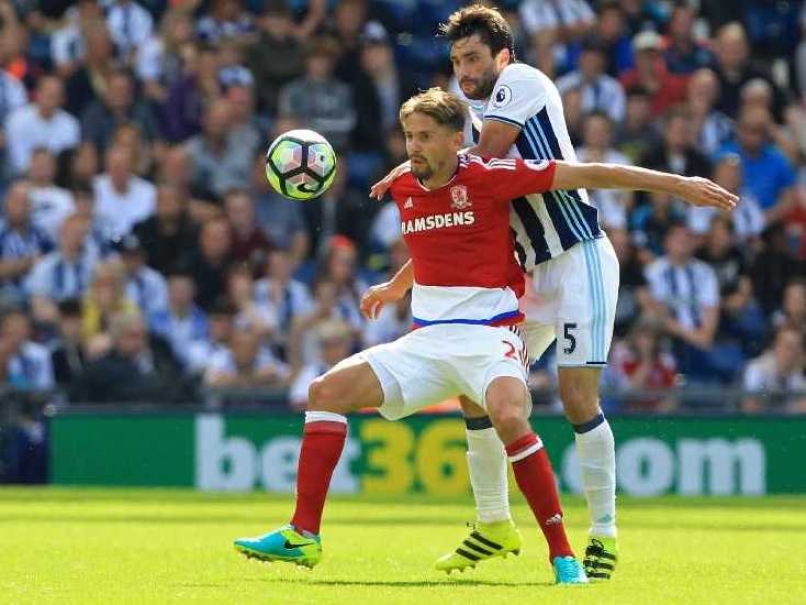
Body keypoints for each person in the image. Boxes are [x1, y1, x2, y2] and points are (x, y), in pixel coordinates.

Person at [233, 87, 736, 583]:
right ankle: (304, 533)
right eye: (409, 136)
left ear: (458, 140)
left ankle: (562, 555)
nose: (413, 147)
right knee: (324, 392)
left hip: (489, 336)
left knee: (510, 414)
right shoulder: (406, 183)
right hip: (426, 341)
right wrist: (395, 285)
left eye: (425, 136)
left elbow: (591, 173)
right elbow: (435, 240)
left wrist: (679, 184)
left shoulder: (492, 176)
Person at [368, 5, 734, 579]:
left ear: (502, 56)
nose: (463, 71)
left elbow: (483, 159)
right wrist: (399, 275)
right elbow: (453, 207)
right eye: (456, 60)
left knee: (577, 399)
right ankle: (493, 524)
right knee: (474, 387)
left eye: (472, 58)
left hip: (578, 256)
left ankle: (604, 535)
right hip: (529, 270)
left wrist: (678, 186)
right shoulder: (464, 109)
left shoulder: (523, 82)